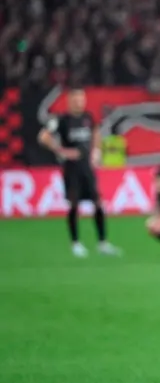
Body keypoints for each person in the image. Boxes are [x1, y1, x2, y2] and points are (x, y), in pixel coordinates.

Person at [37, 87, 121, 258]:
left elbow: (96, 133)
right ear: (69, 101)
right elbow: (43, 136)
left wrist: (96, 152)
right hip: (71, 168)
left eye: (81, 99)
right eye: (76, 99)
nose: (79, 102)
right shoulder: (61, 120)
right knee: (74, 204)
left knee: (97, 202)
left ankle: (103, 243)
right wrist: (61, 150)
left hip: (87, 168)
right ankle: (75, 243)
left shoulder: (87, 118)